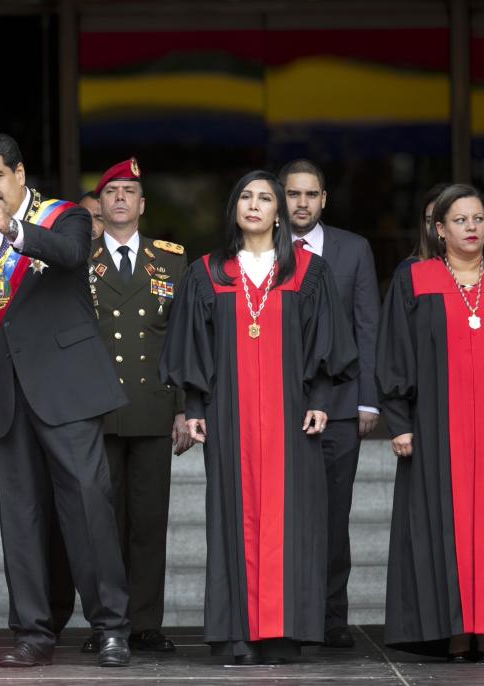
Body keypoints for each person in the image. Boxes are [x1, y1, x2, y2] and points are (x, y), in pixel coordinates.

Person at [0, 133, 132, 668]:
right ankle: (32, 632)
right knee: (20, 520)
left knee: (89, 509)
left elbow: (73, 254)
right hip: (3, 397)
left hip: (66, 388)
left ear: (20, 174)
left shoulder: (67, 217)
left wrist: (16, 230)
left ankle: (111, 626)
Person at [160, 170, 357, 665]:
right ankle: (236, 634)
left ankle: (284, 632)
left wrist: (319, 401)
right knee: (231, 515)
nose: (254, 205)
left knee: (294, 520)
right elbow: (193, 348)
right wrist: (195, 408)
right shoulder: (208, 272)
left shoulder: (308, 272)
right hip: (229, 416)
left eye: (265, 197)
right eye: (245, 196)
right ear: (234, 209)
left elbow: (325, 345)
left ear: (279, 211)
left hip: (292, 417)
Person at [377, 183, 484, 662]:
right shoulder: (416, 284)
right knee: (441, 527)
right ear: (439, 230)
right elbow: (394, 358)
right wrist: (399, 422)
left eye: (478, 219)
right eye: (459, 220)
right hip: (437, 436)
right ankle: (453, 631)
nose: (471, 227)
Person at [79, 157, 192, 655]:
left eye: (129, 191)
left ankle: (144, 622)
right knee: (100, 522)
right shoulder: (77, 260)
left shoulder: (170, 261)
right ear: (100, 206)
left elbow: (183, 340)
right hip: (96, 410)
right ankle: (107, 623)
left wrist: (186, 407)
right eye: (112, 192)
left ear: (142, 205)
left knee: (148, 522)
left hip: (152, 408)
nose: (120, 198)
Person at [278, 159, 380, 648]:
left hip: (339, 405)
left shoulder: (353, 250)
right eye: (293, 194)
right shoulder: (260, 250)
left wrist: (369, 402)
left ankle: (330, 619)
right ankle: (289, 615)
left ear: (324, 200)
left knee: (334, 518)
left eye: (310, 194)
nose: (301, 203)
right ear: (280, 198)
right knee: (287, 516)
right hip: (276, 405)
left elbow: (368, 327)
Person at [396, 182, 450, 271]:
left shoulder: (476, 270)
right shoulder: (409, 270)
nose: (435, 228)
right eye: (429, 221)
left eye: (442, 220)